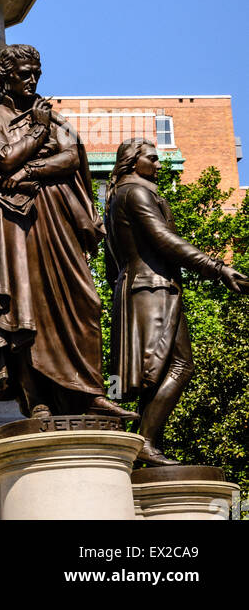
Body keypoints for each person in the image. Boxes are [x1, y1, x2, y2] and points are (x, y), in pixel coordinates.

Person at [0, 44, 131, 420]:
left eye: (36, 73)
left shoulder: (49, 115)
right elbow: (3, 157)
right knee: (22, 309)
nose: (33, 80)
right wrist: (37, 135)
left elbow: (71, 156)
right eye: (25, 74)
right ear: (5, 76)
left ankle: (88, 392)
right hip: (12, 224)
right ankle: (35, 399)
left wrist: (29, 171)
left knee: (83, 299)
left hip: (56, 218)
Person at [105, 138, 249, 465]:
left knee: (161, 371)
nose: (158, 165)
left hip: (142, 289)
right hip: (151, 290)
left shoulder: (120, 196)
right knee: (176, 367)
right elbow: (163, 239)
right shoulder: (136, 193)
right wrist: (217, 268)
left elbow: (111, 260)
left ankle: (143, 443)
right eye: (152, 159)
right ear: (132, 161)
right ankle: (143, 441)